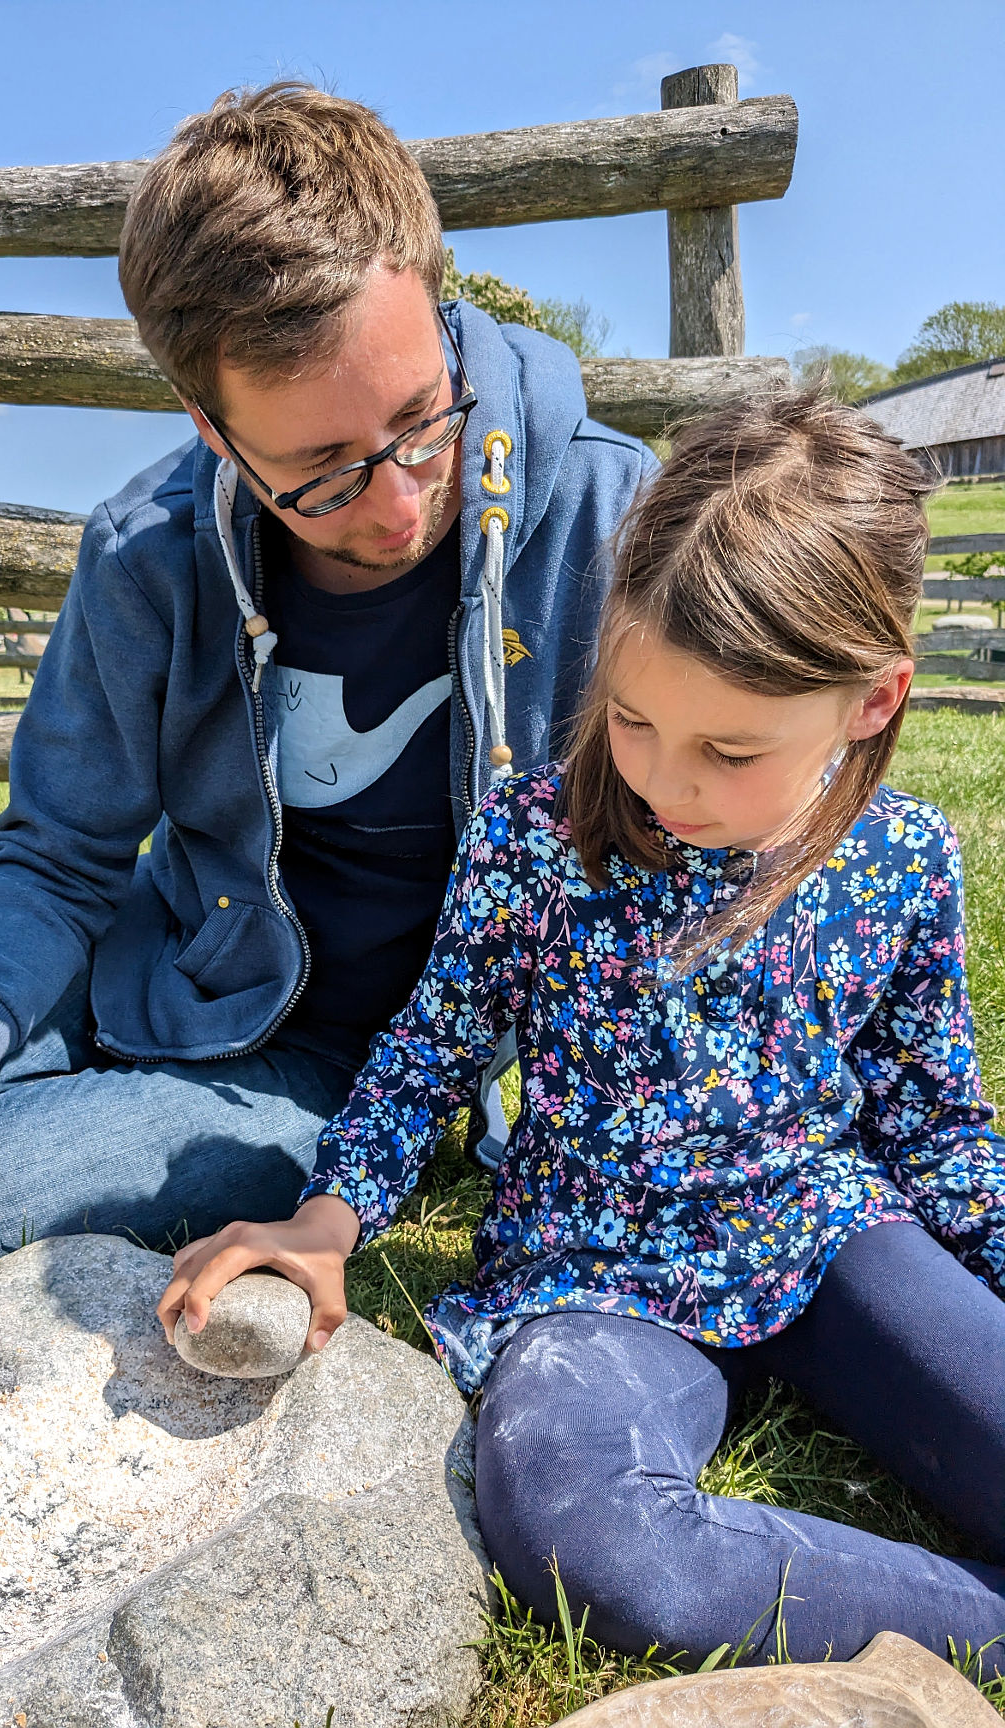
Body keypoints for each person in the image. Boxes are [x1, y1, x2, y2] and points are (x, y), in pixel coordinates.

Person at [0, 83, 653, 1422]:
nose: (394, 502)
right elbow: (58, 852)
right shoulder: (145, 549)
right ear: (212, 430)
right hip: (158, 959)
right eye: (320, 470)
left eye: (420, 422)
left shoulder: (614, 513)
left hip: (342, 1062)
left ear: (439, 312)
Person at [158, 387, 1005, 1673]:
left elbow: (936, 1127)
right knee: (589, 1540)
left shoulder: (903, 860)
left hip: (828, 1233)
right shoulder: (535, 836)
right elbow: (435, 1044)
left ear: (874, 703)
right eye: (637, 716)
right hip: (593, 1269)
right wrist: (326, 1219)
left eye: (732, 750)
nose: (666, 780)